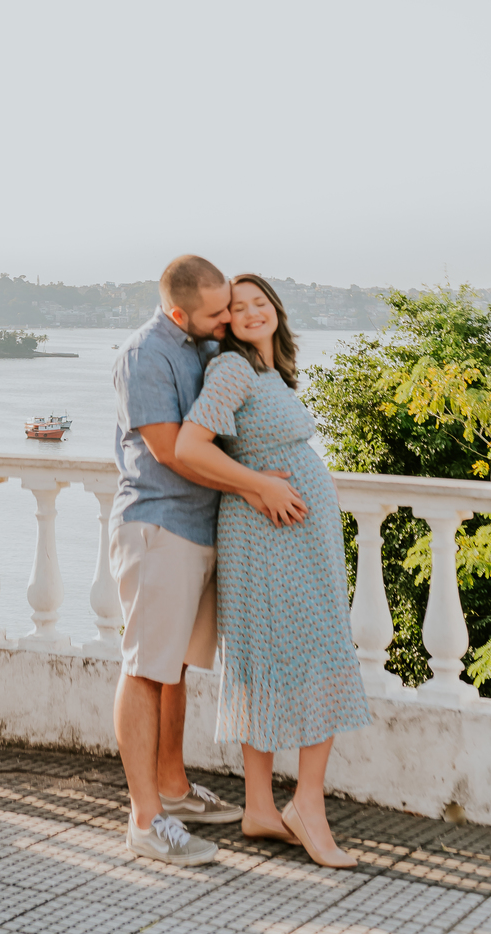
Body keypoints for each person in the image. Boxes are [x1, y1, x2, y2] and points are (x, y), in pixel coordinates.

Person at [110, 255, 308, 866]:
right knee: (145, 669)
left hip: (200, 528)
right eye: (218, 311)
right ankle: (146, 820)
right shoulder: (147, 354)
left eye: (231, 306)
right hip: (159, 526)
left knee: (175, 670)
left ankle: (173, 788)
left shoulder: (201, 343)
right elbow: (171, 451)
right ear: (178, 312)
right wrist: (255, 485)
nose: (228, 319)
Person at [175, 273, 370, 868]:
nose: (252, 312)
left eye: (261, 302)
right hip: (266, 535)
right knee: (318, 653)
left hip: (290, 535)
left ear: (276, 311)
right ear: (226, 321)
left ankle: (260, 808)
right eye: (239, 307)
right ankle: (306, 803)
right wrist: (260, 484)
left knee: (269, 661)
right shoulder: (232, 369)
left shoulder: (269, 371)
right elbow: (189, 446)